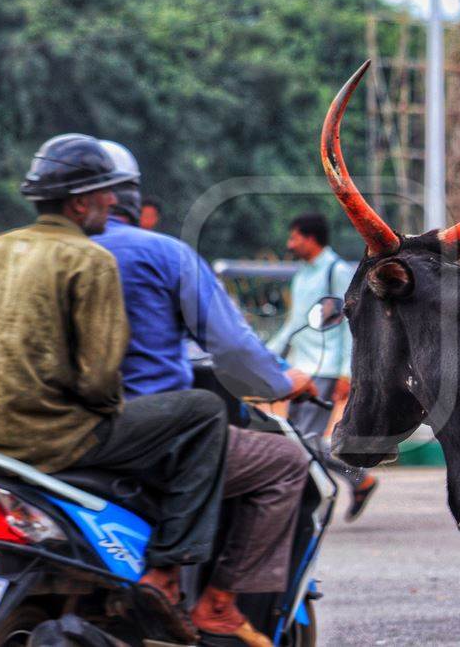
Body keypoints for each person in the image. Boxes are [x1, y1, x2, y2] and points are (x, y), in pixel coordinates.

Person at [0, 134, 225, 642]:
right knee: (204, 410)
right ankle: (165, 573)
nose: (114, 203)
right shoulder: (89, 259)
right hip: (55, 441)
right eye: (105, 193)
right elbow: (98, 379)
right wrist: (108, 407)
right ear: (79, 203)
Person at [93, 141, 317, 645]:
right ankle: (216, 601)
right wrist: (285, 382)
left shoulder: (27, 255)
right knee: (283, 460)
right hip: (142, 436)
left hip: (40, 433)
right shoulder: (163, 254)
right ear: (127, 200)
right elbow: (235, 350)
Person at [267, 213, 378, 521]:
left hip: (327, 367)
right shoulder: (301, 275)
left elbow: (349, 325)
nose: (290, 244)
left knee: (304, 440)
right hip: (300, 367)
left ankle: (306, 504)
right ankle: (358, 480)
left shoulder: (336, 271)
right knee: (301, 439)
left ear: (310, 239)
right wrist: (265, 355)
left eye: (294, 238)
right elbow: (294, 323)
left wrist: (347, 370)